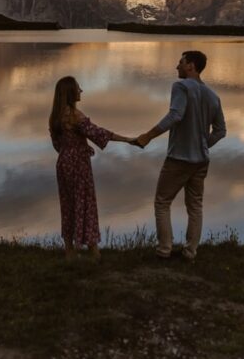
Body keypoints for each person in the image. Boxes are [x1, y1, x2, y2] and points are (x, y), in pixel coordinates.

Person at [135, 50, 226, 261]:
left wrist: (148, 136)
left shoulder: (181, 86)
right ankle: (190, 252)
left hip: (179, 159)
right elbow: (221, 131)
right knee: (195, 206)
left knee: (162, 202)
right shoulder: (213, 96)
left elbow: (175, 115)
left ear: (191, 66)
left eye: (180, 63)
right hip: (201, 161)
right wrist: (203, 144)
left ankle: (164, 250)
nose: (177, 66)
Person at [49, 75, 136, 259]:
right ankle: (93, 251)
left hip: (63, 163)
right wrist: (128, 140)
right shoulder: (74, 115)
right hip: (79, 164)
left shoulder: (55, 116)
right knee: (85, 204)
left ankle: (70, 251)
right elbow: (99, 134)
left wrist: (69, 152)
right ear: (71, 92)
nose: (81, 91)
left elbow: (57, 145)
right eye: (78, 88)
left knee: (68, 205)